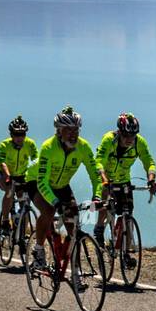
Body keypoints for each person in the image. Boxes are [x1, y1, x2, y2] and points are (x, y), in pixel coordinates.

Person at [26, 106, 101, 270]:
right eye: (68, 130)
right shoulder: (48, 147)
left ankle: (75, 272)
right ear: (59, 131)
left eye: (76, 129)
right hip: (36, 182)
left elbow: (95, 175)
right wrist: (54, 201)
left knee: (74, 226)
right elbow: (42, 182)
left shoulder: (83, 147)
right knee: (48, 211)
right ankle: (38, 252)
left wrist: (97, 196)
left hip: (61, 186)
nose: (73, 134)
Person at [94, 112, 156, 249]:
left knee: (128, 215)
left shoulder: (139, 142)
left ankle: (126, 251)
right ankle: (99, 227)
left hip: (124, 180)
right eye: (126, 135)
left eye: (133, 136)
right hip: (106, 178)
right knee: (105, 203)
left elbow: (149, 162)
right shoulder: (108, 140)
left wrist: (151, 180)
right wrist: (104, 180)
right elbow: (98, 162)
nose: (130, 139)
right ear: (119, 132)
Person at [0, 116, 36, 232]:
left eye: (22, 134)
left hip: (21, 174)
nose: (19, 137)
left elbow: (36, 161)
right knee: (10, 191)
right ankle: (5, 221)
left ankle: (22, 233)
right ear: (11, 135)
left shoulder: (30, 144)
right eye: (16, 134)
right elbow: (3, 163)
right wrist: (8, 176)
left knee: (25, 201)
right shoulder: (4, 145)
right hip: (2, 173)